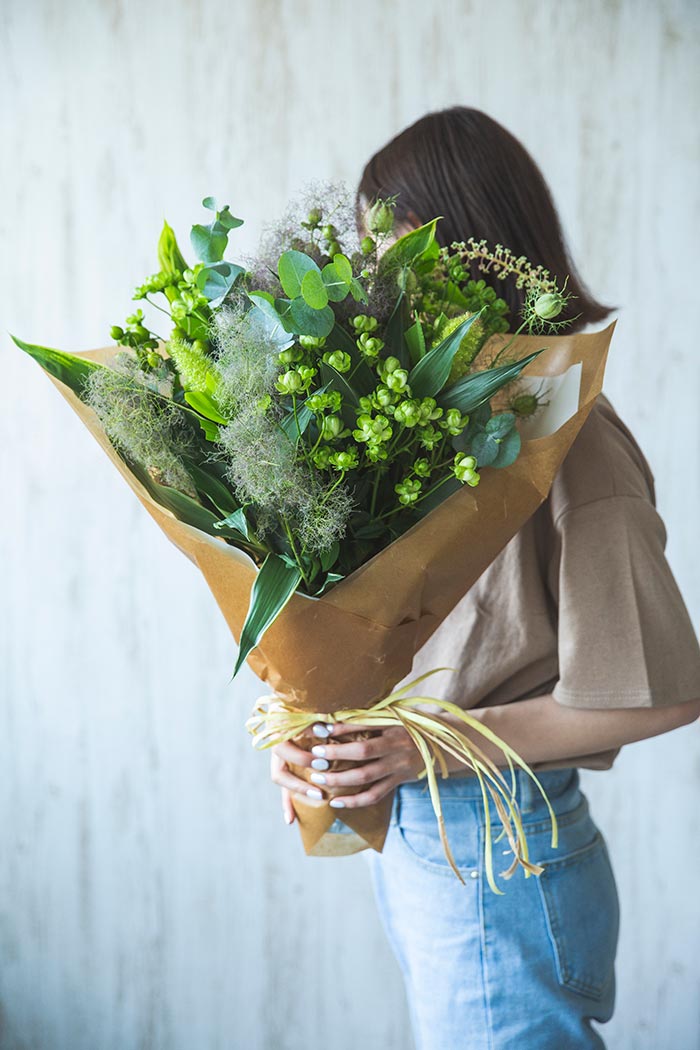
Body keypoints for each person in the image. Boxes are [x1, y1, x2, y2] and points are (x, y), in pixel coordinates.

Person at [269, 107, 700, 1049]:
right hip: (431, 849)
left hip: (502, 857)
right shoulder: (432, 433)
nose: (370, 280)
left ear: (471, 248)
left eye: (391, 251)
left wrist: (427, 746)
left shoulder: (572, 437)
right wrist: (315, 731)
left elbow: (660, 695)